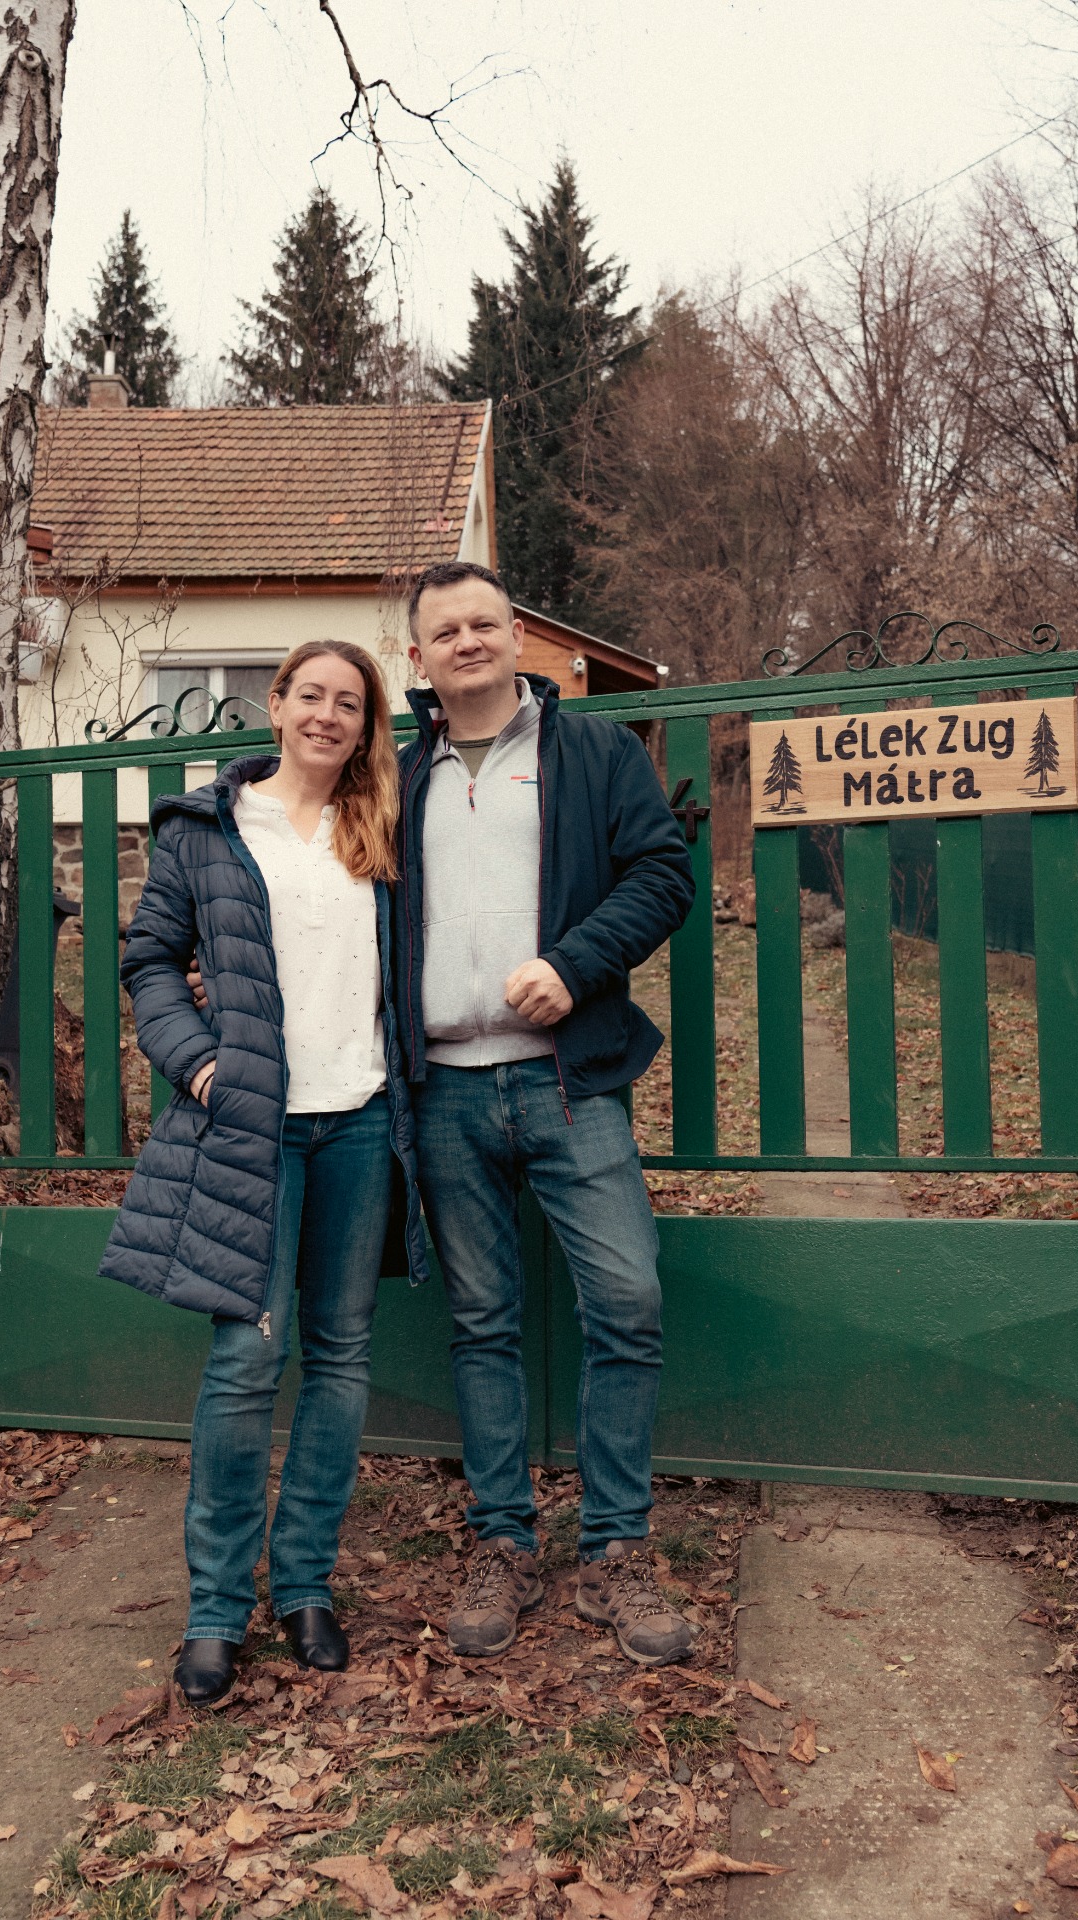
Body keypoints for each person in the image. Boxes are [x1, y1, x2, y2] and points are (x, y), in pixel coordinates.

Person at [100, 640, 425, 1707]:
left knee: (339, 1357)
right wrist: (198, 1063)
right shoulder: (206, 830)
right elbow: (149, 960)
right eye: (310, 695)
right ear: (275, 706)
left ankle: (305, 1587)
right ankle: (213, 1610)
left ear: (367, 725)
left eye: (350, 703)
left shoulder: (385, 825)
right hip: (254, 1129)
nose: (328, 715)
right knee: (246, 1360)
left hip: (361, 1125)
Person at [396, 560, 697, 1667]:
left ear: (517, 636)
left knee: (626, 1299)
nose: (467, 642)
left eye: (484, 623)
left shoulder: (595, 754)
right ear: (418, 658)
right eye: (445, 632)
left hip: (567, 1081)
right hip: (442, 1090)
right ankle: (503, 1542)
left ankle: (615, 1548)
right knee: (482, 1320)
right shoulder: (396, 776)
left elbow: (661, 876)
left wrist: (573, 965)